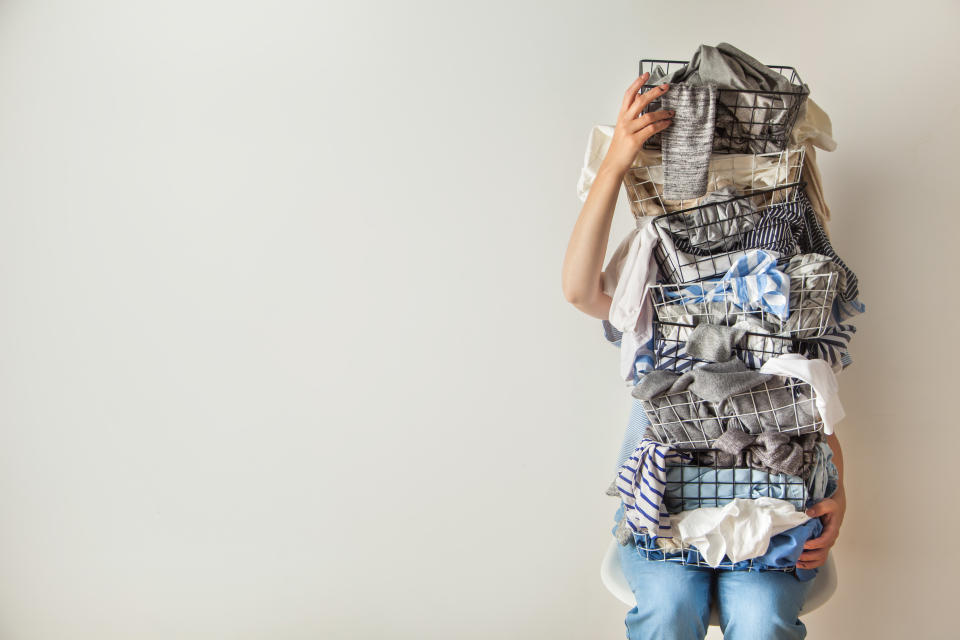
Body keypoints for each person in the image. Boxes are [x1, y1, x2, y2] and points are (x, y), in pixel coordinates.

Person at [560, 73, 847, 640]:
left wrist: (840, 499)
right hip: (665, 501)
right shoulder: (658, 274)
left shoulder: (787, 277)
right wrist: (616, 163)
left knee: (761, 617)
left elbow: (818, 404)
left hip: (772, 499)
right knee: (668, 610)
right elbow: (578, 291)